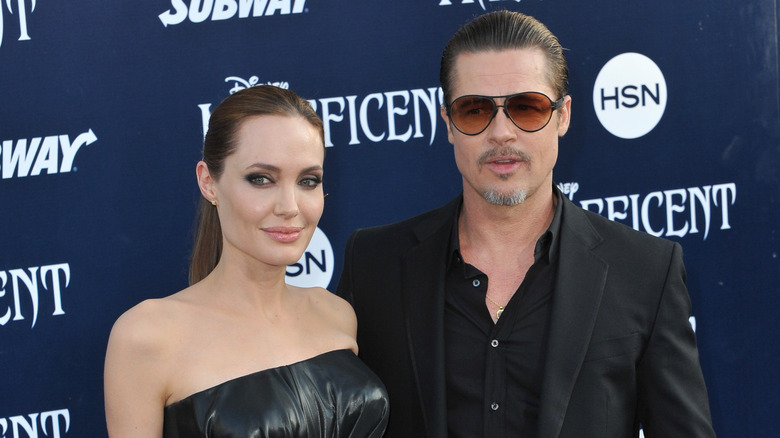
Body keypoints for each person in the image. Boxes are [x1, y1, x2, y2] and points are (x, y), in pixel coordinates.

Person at [336, 10, 715, 438]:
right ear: (448, 125)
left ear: (564, 115)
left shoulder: (645, 271)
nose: (502, 132)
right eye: (475, 110)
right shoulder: (374, 265)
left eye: (527, 108)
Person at [104, 85, 389, 437]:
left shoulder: (336, 313)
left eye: (308, 180)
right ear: (209, 182)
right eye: (261, 179)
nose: (290, 207)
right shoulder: (147, 337)